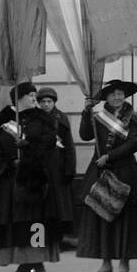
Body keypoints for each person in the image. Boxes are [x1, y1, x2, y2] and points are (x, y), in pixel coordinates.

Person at [0, 81, 71, 272]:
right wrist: (7, 162)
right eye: (29, 95)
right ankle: (21, 261)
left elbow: (49, 142)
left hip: (35, 177)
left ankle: (37, 260)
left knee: (37, 220)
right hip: (11, 177)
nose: (35, 98)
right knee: (15, 220)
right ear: (17, 99)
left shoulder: (43, 118)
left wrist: (29, 147)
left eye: (35, 95)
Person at [77, 79, 137, 272]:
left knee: (125, 218)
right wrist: (85, 112)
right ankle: (106, 262)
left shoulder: (133, 118)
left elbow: (133, 144)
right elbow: (85, 135)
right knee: (101, 214)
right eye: (113, 93)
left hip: (124, 169)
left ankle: (124, 261)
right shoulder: (98, 118)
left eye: (120, 93)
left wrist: (110, 156)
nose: (118, 97)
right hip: (100, 169)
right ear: (106, 97)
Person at [37, 86, 77, 247]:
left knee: (60, 206)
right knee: (43, 205)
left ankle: (61, 239)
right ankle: (41, 240)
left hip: (58, 166)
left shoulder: (61, 118)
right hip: (41, 165)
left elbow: (69, 145)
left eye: (49, 101)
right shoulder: (35, 118)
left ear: (54, 102)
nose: (46, 104)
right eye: (43, 102)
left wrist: (70, 169)